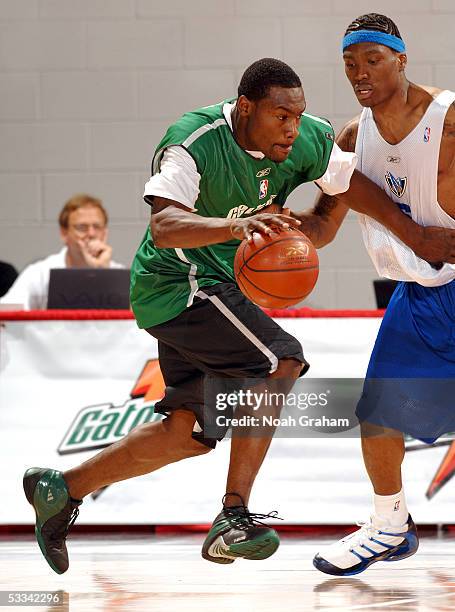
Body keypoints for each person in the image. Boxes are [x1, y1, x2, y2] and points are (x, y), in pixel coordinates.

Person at [23, 58, 455, 575]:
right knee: (280, 361)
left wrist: (404, 234)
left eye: (298, 116)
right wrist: (235, 228)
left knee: (189, 431)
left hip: (215, 287)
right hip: (175, 283)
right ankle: (233, 517)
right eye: (280, 117)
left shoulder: (307, 138)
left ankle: (61, 489)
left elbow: (351, 183)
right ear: (246, 108)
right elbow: (164, 224)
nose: (292, 129)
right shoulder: (194, 139)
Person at [291, 13, 455, 576]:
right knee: (378, 414)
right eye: (350, 64)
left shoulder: (447, 118)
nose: (360, 73)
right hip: (417, 294)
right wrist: (272, 229)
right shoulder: (351, 138)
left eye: (373, 60)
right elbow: (323, 228)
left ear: (402, 58)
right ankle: (390, 525)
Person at [1, 194, 123, 310]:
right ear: (64, 233)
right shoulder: (40, 273)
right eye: (82, 227)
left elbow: (138, 322)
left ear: (105, 233)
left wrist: (103, 273)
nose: (91, 234)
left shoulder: (123, 277)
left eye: (97, 227)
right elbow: (6, 313)